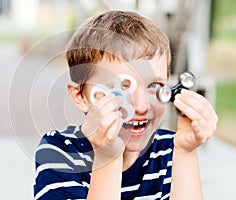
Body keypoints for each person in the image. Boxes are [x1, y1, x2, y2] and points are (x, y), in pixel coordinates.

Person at [33, 10, 218, 200]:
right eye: (120, 88)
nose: (141, 106)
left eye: (154, 86)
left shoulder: (169, 150)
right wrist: (108, 156)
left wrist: (186, 152)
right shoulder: (59, 152)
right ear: (80, 95)